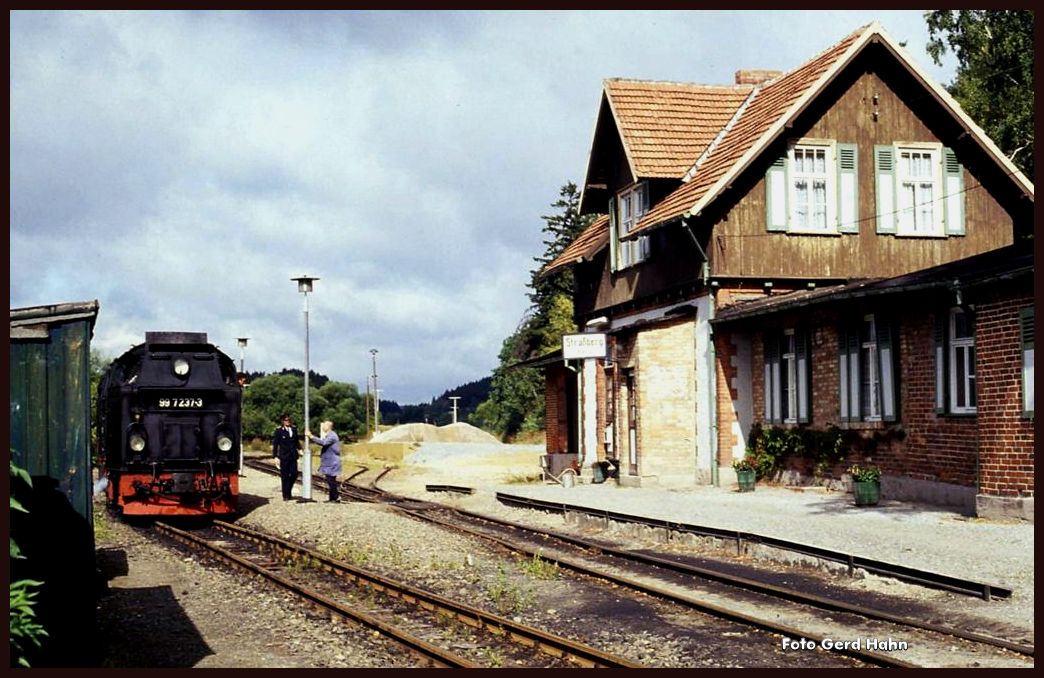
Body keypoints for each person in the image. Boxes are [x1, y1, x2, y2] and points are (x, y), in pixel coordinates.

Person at [305, 420, 342, 503]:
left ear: (328, 427)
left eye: (324, 425)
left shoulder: (332, 436)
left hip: (332, 462)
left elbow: (323, 443)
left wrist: (311, 436)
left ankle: (336, 497)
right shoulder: (330, 435)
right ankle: (332, 498)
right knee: (330, 479)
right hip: (330, 461)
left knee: (330, 479)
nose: (322, 427)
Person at [271, 414, 300, 501]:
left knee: (294, 474)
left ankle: (288, 489)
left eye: (289, 420)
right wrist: (275, 456)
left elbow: (296, 441)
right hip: (284, 456)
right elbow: (275, 444)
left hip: (293, 456)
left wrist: (300, 449)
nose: (288, 421)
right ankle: (286, 495)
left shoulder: (294, 429)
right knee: (285, 476)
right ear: (283, 421)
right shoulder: (279, 431)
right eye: (286, 420)